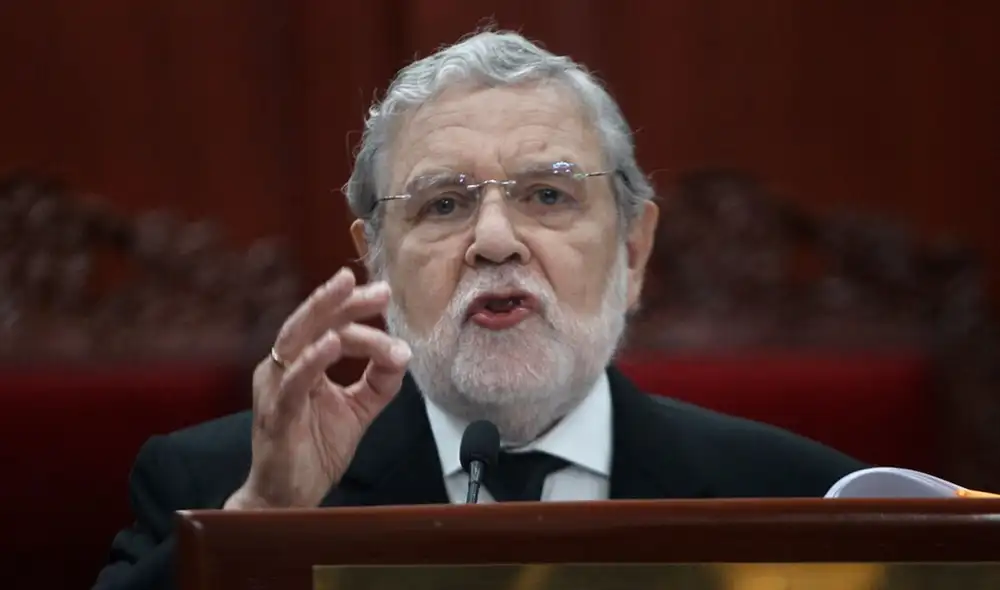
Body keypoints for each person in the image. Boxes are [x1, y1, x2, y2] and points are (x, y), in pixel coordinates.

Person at [93, 29, 866, 590]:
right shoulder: (216, 489)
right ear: (377, 259)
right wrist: (262, 525)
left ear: (633, 252)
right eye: (443, 204)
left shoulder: (803, 498)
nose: (495, 242)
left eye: (548, 195)